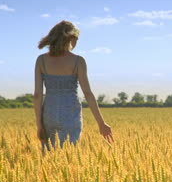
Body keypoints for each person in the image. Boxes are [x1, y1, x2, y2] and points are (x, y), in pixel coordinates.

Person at [34, 20, 114, 153]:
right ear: (71, 38)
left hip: (49, 114)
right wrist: (101, 123)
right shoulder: (78, 61)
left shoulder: (41, 60)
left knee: (48, 158)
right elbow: (87, 93)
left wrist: (39, 125)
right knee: (69, 156)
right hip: (71, 115)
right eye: (76, 39)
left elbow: (37, 95)